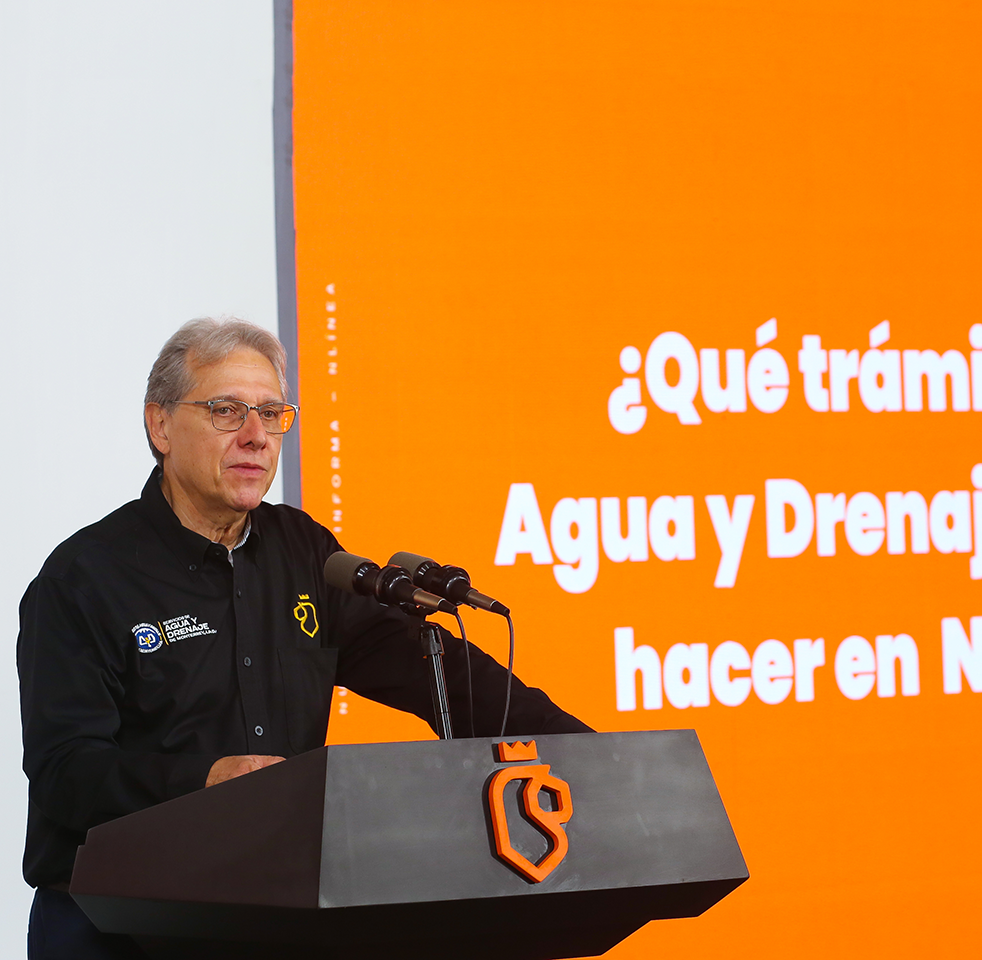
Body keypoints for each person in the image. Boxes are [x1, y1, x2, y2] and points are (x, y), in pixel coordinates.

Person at [18, 317, 590, 959]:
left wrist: (591, 761)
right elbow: (66, 773)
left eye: (272, 414)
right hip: (115, 925)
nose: (256, 436)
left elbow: (435, 671)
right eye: (227, 411)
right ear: (160, 426)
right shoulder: (83, 580)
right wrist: (204, 779)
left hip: (270, 913)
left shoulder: (302, 551)